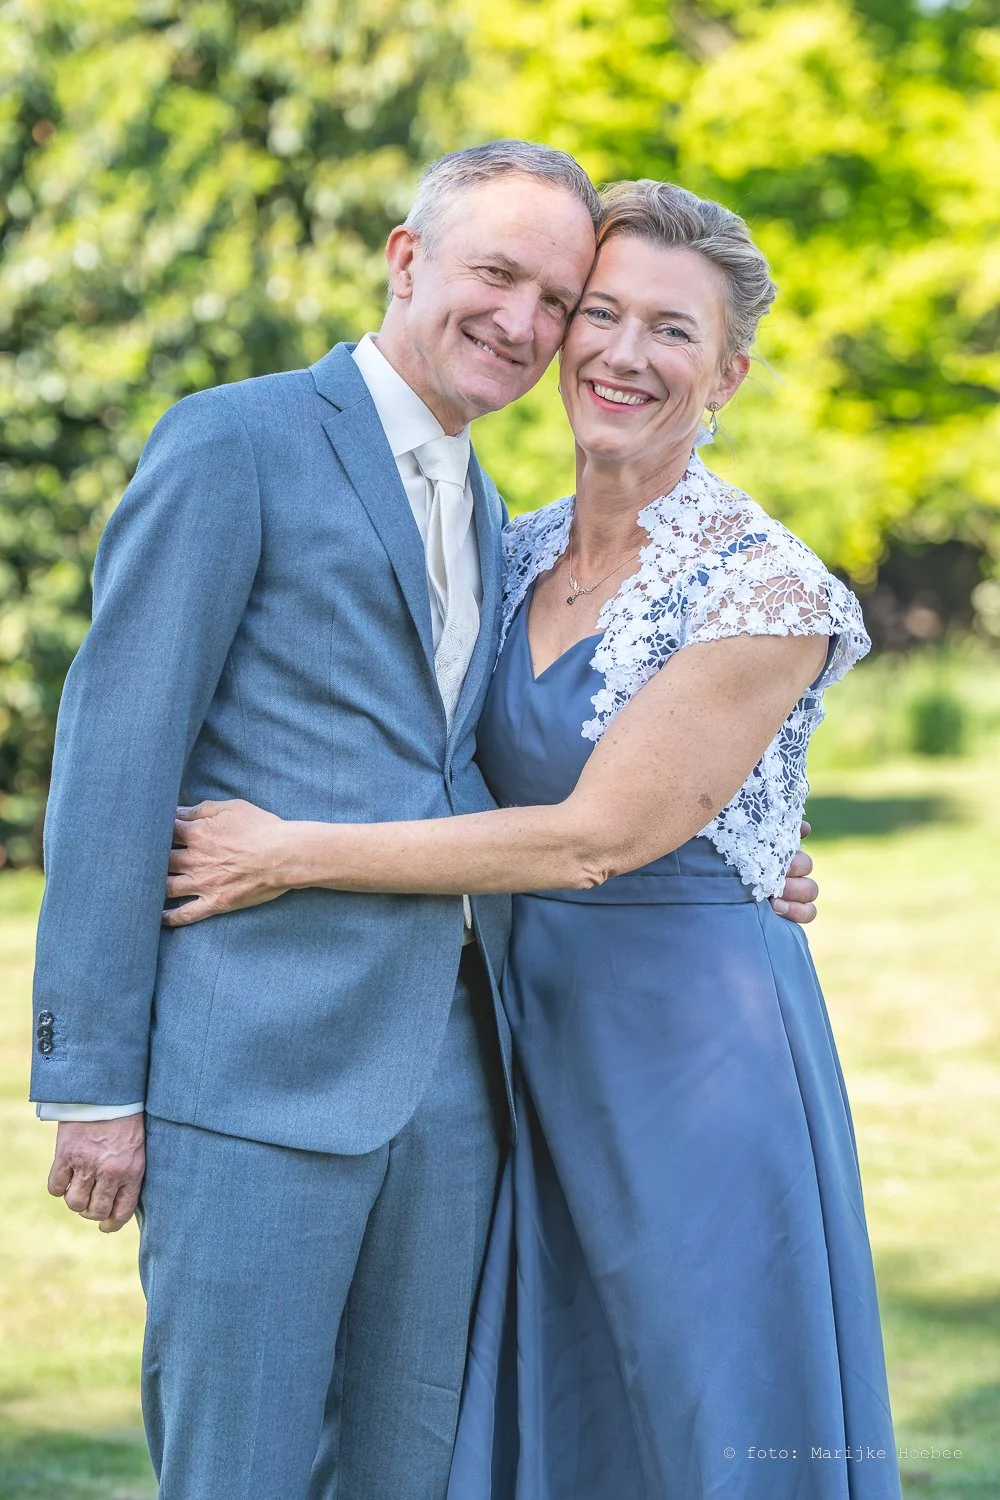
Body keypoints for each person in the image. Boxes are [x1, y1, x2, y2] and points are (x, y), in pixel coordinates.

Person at [31, 143, 817, 1499]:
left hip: (464, 1085)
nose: (525, 323)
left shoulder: (503, 514)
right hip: (258, 1077)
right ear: (408, 260)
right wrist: (94, 1085)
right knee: (243, 1470)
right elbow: (115, 761)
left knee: (417, 1472)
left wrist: (747, 847)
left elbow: (541, 766)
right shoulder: (240, 440)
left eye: (553, 295)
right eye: (496, 275)